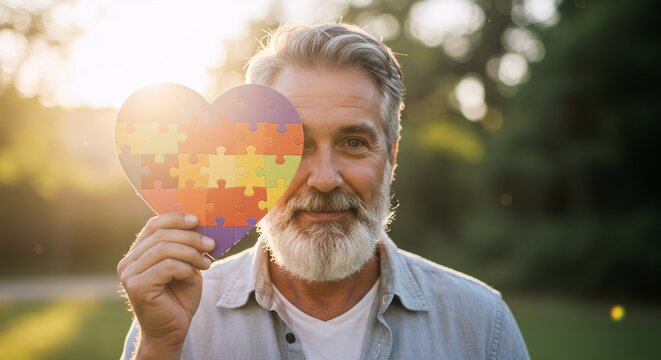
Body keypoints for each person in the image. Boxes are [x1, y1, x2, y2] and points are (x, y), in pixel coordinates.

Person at [118, 23, 530, 360]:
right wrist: (159, 347)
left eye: (353, 142)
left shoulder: (481, 326)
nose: (325, 178)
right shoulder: (175, 320)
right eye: (295, 147)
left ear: (391, 157)